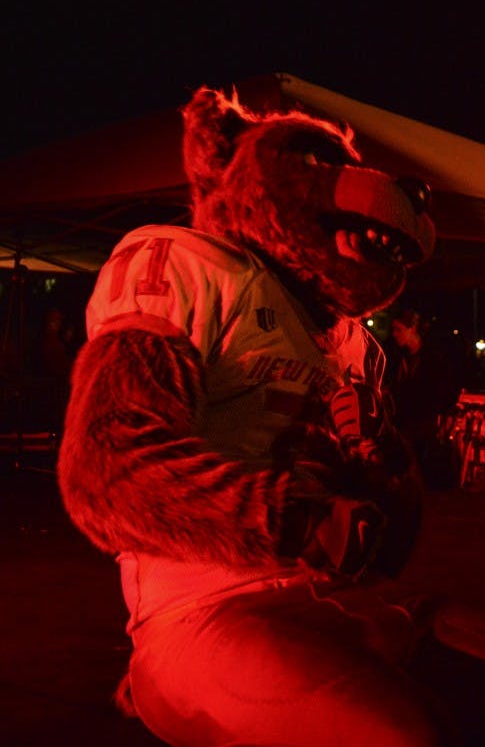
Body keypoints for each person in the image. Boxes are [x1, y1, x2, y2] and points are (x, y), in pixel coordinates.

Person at [57, 86, 451, 746]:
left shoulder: (356, 342)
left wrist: (379, 460)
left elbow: (387, 546)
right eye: (318, 161)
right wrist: (289, 518)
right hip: (204, 605)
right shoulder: (188, 265)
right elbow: (105, 467)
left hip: (336, 598)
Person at [387, 309, 462, 489]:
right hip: (404, 419)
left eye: (399, 329)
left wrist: (441, 411)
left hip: (425, 420)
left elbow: (446, 386)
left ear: (412, 329)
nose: (394, 334)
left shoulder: (433, 357)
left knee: (420, 465)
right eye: (393, 330)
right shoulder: (398, 356)